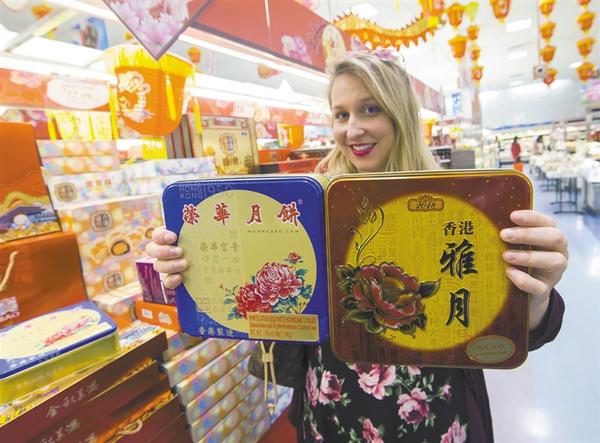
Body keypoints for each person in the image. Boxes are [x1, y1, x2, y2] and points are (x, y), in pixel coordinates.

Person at [146, 53, 567, 442]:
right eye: (341, 114)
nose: (352, 130)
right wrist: (196, 265)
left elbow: (516, 327)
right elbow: (266, 289)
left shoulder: (459, 204)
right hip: (332, 404)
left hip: (431, 407)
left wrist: (535, 296)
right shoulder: (310, 204)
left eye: (370, 109)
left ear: (400, 114)